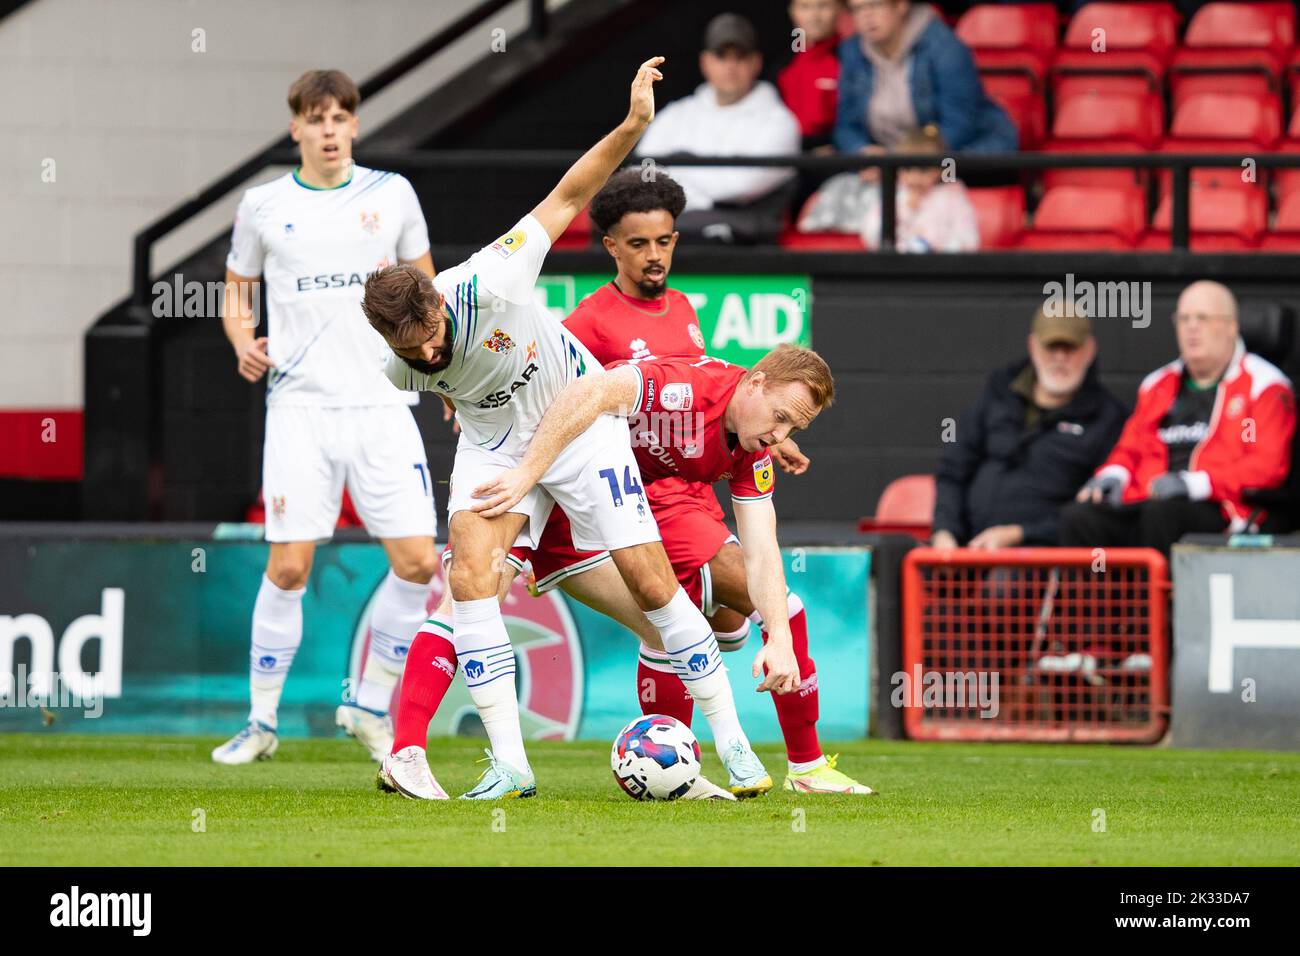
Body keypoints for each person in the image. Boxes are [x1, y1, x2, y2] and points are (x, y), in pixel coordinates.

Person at [362, 58, 786, 802]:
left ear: (437, 296)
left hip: (583, 429)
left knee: (653, 584)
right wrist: (451, 393)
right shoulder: (399, 364)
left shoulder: (492, 276)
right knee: (468, 579)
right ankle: (509, 765)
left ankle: (738, 749)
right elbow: (436, 383)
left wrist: (633, 125)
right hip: (496, 445)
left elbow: (571, 191)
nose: (429, 351)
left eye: (430, 333)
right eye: (412, 350)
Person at [471, 346, 850, 790]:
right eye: (780, 416)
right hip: (532, 471)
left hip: (612, 499)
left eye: (793, 427)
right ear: (756, 383)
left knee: (667, 623)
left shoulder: (751, 448)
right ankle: (410, 750)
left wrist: (780, 638)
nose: (780, 433)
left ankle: (682, 771)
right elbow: (590, 388)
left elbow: (762, 549)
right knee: (466, 597)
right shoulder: (685, 389)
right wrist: (524, 470)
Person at [213, 69, 439, 765]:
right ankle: (261, 723)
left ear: (355, 125)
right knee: (288, 569)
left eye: (341, 116)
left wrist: (445, 374)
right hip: (300, 408)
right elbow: (236, 290)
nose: (330, 129)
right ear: (296, 129)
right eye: (317, 119)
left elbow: (428, 293)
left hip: (381, 401)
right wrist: (241, 340)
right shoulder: (262, 205)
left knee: (420, 562)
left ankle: (371, 706)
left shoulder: (391, 194)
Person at [1062, 280, 1297, 555]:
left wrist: (1193, 484)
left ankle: (1159, 599)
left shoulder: (1263, 386)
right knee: (1079, 518)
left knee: (1162, 515)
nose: (1191, 327)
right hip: (1149, 500)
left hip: (1219, 506)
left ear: (1231, 326)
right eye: (1183, 318)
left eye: (1202, 318)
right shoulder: (1158, 385)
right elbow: (1131, 448)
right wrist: (1114, 475)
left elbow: (1265, 467)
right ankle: (1099, 600)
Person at [932, 307, 1127, 550]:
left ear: (1089, 350)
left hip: (1039, 558)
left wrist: (1020, 534)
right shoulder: (997, 395)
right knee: (898, 570)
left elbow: (1095, 513)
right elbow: (952, 472)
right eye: (1051, 347)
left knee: (1007, 585)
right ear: (1033, 346)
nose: (1060, 358)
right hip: (965, 548)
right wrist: (945, 532)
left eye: (1070, 348)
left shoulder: (1108, 418)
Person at [635, 14, 801, 243]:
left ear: (756, 62)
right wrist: (699, 188)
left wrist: (679, 160)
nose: (730, 66)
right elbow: (639, 172)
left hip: (740, 247)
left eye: (740, 56)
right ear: (705, 62)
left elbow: (737, 188)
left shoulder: (780, 122)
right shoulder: (677, 113)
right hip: (672, 231)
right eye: (721, 56)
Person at [833, 0, 1017, 168]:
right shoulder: (851, 52)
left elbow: (960, 123)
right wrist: (862, 151)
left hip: (957, 153)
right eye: (858, 9)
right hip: (889, 164)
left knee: (943, 173)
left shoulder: (945, 46)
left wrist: (905, 158)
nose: (867, 16)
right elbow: (846, 125)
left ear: (901, 6)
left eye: (876, 5)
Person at [798, 125, 979, 251]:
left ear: (939, 169)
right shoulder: (894, 192)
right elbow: (872, 230)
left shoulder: (952, 194)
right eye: (907, 169)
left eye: (923, 169)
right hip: (898, 272)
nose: (915, 177)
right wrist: (907, 211)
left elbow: (967, 237)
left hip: (944, 274)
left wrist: (939, 251)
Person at [778, 0, 845, 151]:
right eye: (805, 7)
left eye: (823, 6)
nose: (814, 16)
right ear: (792, 12)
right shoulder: (782, 64)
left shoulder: (850, 59)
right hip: (788, 156)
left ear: (839, 9)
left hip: (837, 159)